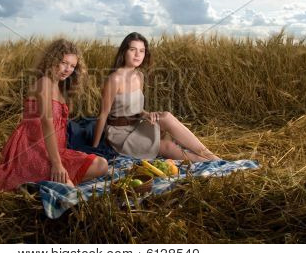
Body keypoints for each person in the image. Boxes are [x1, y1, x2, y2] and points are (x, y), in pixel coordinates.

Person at [0, 39, 108, 190]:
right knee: (68, 189)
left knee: (102, 165)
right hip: (32, 148)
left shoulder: (60, 88)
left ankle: (33, 177)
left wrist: (60, 159)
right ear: (53, 60)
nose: (68, 69)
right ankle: (12, 173)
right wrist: (57, 164)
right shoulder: (44, 82)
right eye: (64, 63)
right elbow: (47, 124)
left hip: (54, 150)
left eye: (72, 66)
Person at [92, 32, 221, 162]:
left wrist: (147, 115)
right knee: (167, 146)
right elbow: (103, 115)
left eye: (142, 51)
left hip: (137, 125)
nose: (138, 55)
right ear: (124, 52)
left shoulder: (139, 76)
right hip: (120, 135)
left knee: (166, 116)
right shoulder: (115, 79)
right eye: (133, 50)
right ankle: (216, 162)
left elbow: (137, 110)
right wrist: (94, 148)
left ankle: (212, 157)